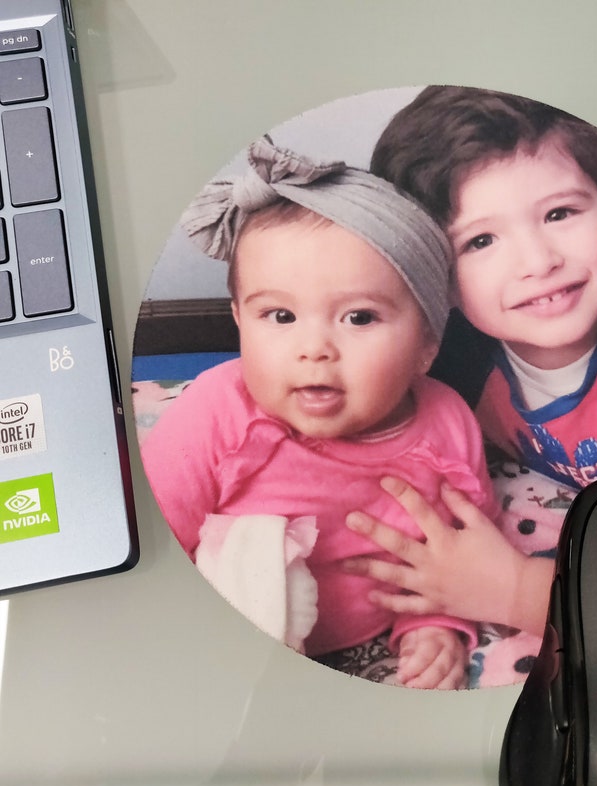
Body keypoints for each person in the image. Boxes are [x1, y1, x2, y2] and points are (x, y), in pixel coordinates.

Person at [342, 86, 597, 630]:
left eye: (560, 213)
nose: (538, 262)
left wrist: (514, 592)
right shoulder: (451, 350)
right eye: (480, 241)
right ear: (433, 277)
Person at [141, 136, 498, 690]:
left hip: (366, 640)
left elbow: (461, 550)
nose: (314, 349)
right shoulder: (216, 413)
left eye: (359, 318)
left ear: (427, 343)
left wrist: (434, 623)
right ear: (239, 319)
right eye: (280, 315)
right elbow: (156, 543)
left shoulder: (448, 426)